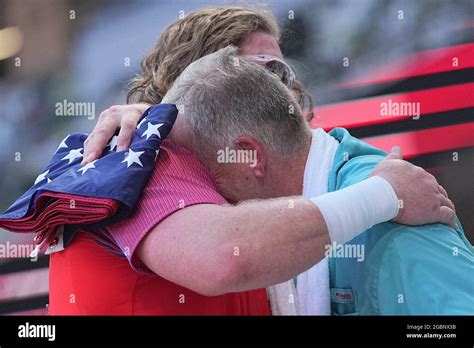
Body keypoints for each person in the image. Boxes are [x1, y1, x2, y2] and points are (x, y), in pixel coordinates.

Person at [49, 7, 454, 315]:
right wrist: (385, 194)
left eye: (286, 73)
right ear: (201, 81)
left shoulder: (266, 196)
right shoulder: (134, 159)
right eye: (267, 73)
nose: (287, 91)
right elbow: (224, 259)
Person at [157, 46, 473, 315]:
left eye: (199, 171)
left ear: (249, 156)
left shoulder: (394, 227)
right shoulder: (360, 200)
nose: (198, 193)